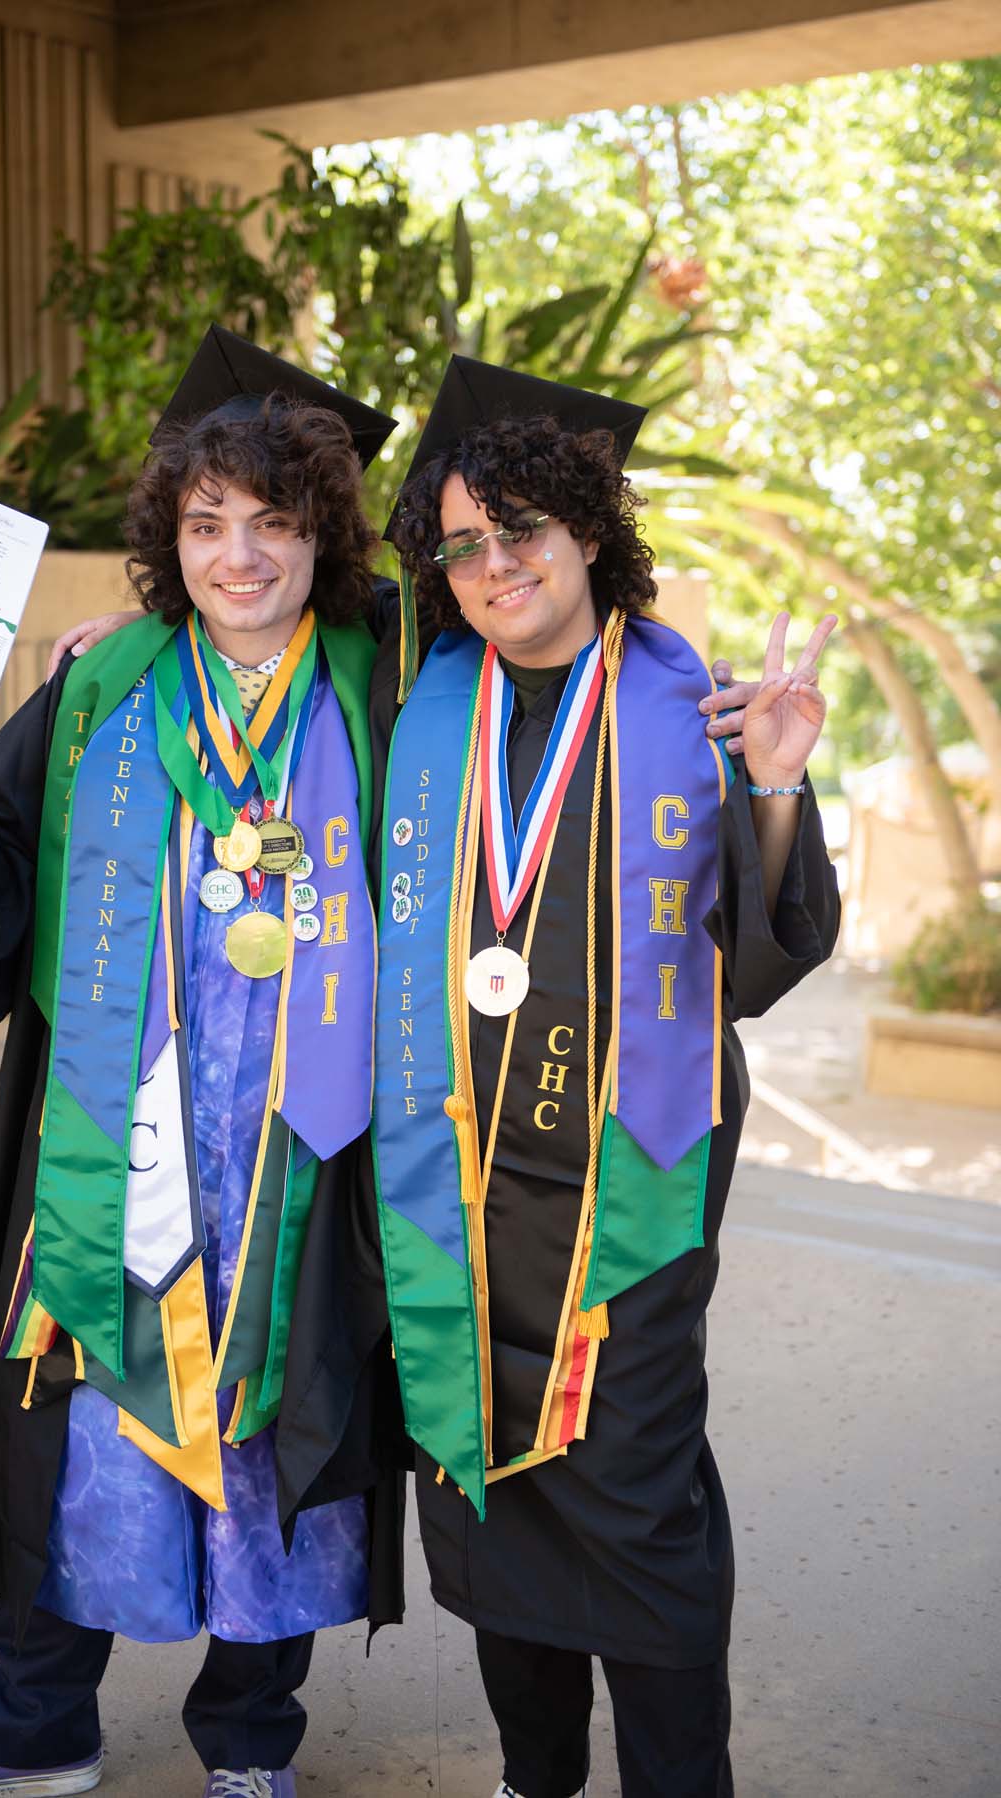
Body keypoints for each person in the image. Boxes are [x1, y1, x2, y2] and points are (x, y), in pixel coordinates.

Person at [0, 327, 405, 1798]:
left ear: (322, 537)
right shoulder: (105, 689)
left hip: (304, 1153)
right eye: (208, 521)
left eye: (276, 523)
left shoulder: (387, 672)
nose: (240, 556)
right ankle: (37, 1725)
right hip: (124, 1140)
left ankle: (249, 1743)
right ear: (168, 533)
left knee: (283, 1423)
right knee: (81, 1418)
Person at [367, 355, 841, 1798]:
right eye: (464, 542)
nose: (495, 564)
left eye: (523, 532)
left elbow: (758, 956)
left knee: (634, 1495)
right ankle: (535, 1775)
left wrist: (771, 783)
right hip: (453, 1175)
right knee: (482, 1472)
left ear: (587, 535)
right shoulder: (425, 703)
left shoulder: (685, 699)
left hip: (622, 1181)